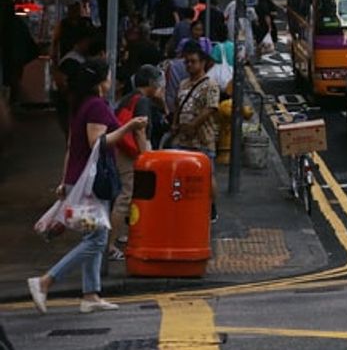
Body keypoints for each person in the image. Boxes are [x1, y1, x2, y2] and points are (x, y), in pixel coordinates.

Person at [27, 58, 149, 315]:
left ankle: (91, 294)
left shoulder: (82, 105)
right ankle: (45, 281)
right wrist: (129, 126)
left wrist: (64, 180)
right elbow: (98, 142)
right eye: (108, 77)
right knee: (97, 240)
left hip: (79, 180)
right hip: (89, 185)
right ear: (100, 82)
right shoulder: (96, 106)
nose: (111, 81)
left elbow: (73, 146)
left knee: (92, 237)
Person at [108, 66, 159, 259]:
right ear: (152, 83)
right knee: (125, 197)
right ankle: (110, 245)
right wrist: (147, 157)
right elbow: (140, 131)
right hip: (129, 154)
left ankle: (120, 234)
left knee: (125, 196)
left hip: (120, 150)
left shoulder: (128, 97)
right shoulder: (143, 101)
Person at [169, 42, 221, 221]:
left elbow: (211, 108)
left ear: (203, 63)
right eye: (187, 62)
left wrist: (193, 125)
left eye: (193, 62)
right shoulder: (183, 84)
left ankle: (211, 208)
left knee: (207, 175)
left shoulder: (210, 85)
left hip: (203, 139)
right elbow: (177, 106)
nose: (189, 65)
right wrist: (175, 123)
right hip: (182, 139)